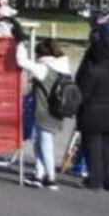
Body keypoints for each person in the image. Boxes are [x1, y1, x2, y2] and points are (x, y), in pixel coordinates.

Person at [17, 39, 72, 189]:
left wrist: (19, 44)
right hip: (57, 112)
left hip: (43, 112)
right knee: (41, 144)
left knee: (44, 145)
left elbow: (21, 62)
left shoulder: (44, 68)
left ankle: (50, 177)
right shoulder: (63, 68)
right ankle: (39, 174)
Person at [77, 20, 109, 190]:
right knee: (108, 148)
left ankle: (95, 181)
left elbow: (82, 90)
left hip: (92, 111)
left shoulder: (92, 67)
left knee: (92, 147)